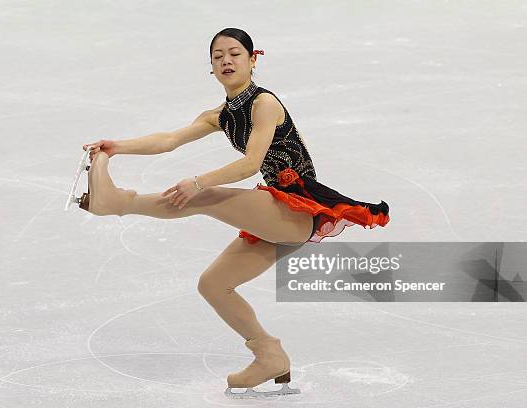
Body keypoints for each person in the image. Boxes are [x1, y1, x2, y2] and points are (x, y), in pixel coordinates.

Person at [79, 27, 390, 398]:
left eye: (234, 53)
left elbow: (250, 163)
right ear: (211, 68)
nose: (226, 60)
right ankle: (269, 355)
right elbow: (169, 140)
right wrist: (117, 147)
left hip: (296, 206)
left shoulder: (264, 104)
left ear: (252, 60)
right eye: (217, 56)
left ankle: (117, 204)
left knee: (203, 196)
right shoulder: (220, 115)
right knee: (213, 285)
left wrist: (199, 181)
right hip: (277, 214)